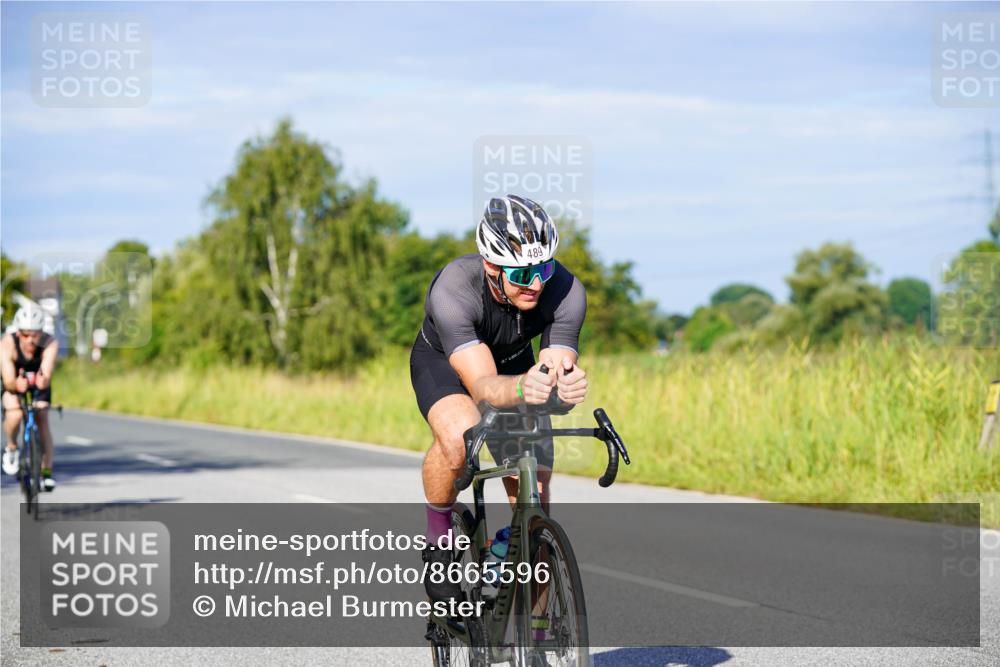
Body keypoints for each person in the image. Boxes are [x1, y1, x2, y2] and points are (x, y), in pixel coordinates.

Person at [410, 195, 589, 602]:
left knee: (534, 504)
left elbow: (554, 367)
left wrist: (563, 391)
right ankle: (439, 543)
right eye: (523, 273)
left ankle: (541, 639)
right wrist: (526, 388)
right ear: (492, 267)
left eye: (543, 268)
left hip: (513, 363)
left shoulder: (566, 290)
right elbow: (484, 387)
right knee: (459, 440)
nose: (538, 283)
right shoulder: (454, 290)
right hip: (449, 364)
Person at [1, 304, 59, 490]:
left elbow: (47, 371)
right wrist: (15, 385)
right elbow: (8, 379)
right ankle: (11, 448)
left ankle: (46, 472)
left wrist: (43, 380)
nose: (30, 340)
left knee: (42, 417)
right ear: (18, 333)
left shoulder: (50, 343)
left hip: (37, 382)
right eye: (26, 334)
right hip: (14, 383)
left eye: (35, 334)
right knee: (15, 414)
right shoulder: (7, 344)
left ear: (41, 333)